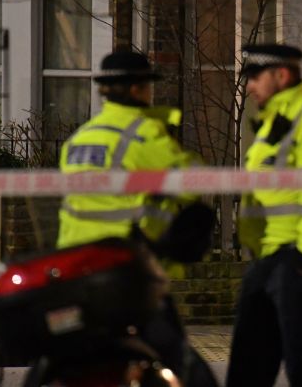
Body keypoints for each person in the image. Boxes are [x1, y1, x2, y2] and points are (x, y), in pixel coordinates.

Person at [57, 47, 215, 387]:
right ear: (135, 89)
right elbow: (193, 182)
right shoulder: (144, 135)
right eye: (146, 85)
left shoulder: (78, 139)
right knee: (186, 366)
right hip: (124, 275)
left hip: (74, 274)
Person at [227, 43, 302, 387]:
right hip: (271, 257)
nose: (248, 85)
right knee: (248, 366)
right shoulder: (274, 123)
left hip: (295, 259)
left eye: (254, 76)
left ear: (281, 75)